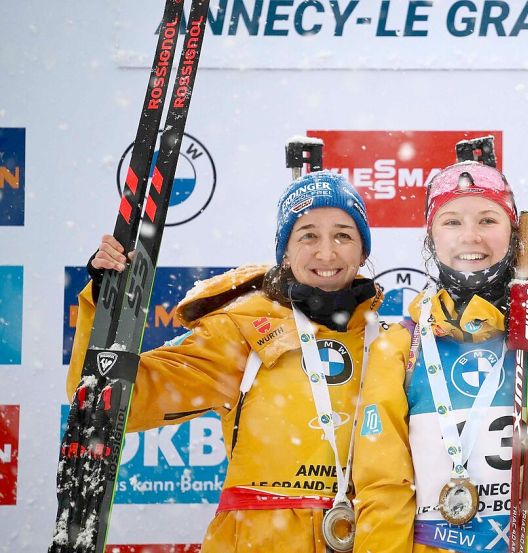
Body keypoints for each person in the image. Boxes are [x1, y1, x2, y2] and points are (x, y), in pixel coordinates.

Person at [67, 171, 380, 552]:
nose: (326, 252)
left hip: (364, 538)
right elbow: (113, 402)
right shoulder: (243, 330)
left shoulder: (388, 342)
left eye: (343, 235)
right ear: (285, 249)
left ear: (363, 251)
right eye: (308, 235)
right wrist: (107, 304)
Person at [352, 161, 528, 552]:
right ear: (431, 236)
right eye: (451, 222)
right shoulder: (400, 346)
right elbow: (382, 486)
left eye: (487, 220)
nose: (470, 237)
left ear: (514, 234)